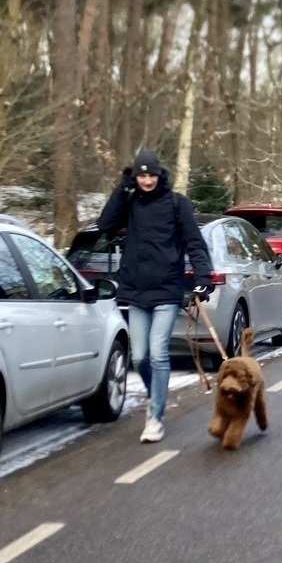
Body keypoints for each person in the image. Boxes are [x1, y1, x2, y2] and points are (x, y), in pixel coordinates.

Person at [95, 149, 214, 443]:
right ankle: (156, 396)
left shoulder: (177, 204)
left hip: (167, 289)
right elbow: (105, 224)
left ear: (160, 175)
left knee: (159, 352)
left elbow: (194, 242)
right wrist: (123, 188)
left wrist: (203, 278)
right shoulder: (131, 202)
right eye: (141, 175)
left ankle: (155, 417)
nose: (147, 180)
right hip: (136, 290)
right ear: (135, 176)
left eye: (151, 175)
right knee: (140, 356)